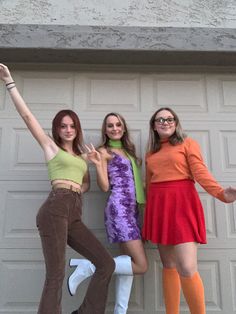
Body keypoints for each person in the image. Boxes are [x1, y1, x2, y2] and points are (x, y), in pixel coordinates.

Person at [0, 63, 115, 314]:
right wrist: (10, 83)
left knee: (106, 263)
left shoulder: (83, 157)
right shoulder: (51, 148)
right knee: (56, 274)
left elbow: (84, 186)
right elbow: (28, 117)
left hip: (74, 211)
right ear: (57, 129)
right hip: (56, 207)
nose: (68, 130)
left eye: (72, 126)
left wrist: (95, 164)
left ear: (77, 129)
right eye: (63, 126)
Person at [142, 107, 236, 314]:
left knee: (186, 267)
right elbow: (148, 184)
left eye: (169, 119)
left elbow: (200, 172)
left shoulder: (188, 143)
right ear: (154, 126)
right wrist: (147, 215)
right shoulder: (151, 153)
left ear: (176, 123)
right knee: (169, 266)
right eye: (160, 120)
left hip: (183, 204)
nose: (165, 122)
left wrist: (221, 193)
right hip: (159, 207)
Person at [68, 112, 148, 314]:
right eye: (110, 126)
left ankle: (120, 311)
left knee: (128, 264)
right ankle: (89, 267)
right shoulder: (104, 152)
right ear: (105, 130)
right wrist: (97, 164)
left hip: (132, 210)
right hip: (119, 209)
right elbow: (104, 187)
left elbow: (137, 184)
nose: (114, 128)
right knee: (141, 265)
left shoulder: (129, 152)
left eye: (118, 124)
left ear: (123, 127)